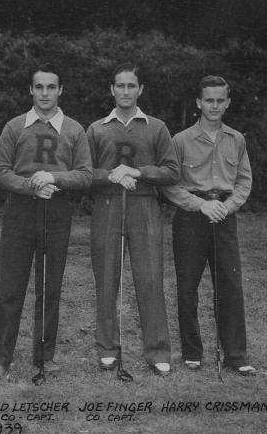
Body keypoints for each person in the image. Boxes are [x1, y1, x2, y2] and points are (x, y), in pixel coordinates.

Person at [0, 63, 92, 379]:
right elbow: (0, 170)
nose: (45, 93)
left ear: (60, 90)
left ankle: (44, 356)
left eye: (51, 87)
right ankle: (0, 357)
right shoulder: (14, 126)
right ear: (31, 90)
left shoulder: (74, 129)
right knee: (11, 286)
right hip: (20, 210)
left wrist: (56, 179)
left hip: (57, 213)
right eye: (39, 87)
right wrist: (30, 185)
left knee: (49, 287)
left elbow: (86, 174)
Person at [87, 62, 180, 376]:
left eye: (131, 86)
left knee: (150, 278)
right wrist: (113, 175)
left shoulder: (156, 127)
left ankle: (158, 351)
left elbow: (171, 171)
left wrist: (138, 172)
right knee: (107, 278)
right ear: (111, 90)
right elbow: (84, 173)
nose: (125, 91)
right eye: (120, 86)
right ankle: (107, 348)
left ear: (140, 90)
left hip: (144, 207)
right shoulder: (97, 128)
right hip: (108, 205)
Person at [162, 76, 255, 376]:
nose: (214, 106)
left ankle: (236, 356)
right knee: (187, 287)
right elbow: (170, 185)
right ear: (199, 103)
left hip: (224, 218)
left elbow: (243, 180)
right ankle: (192, 352)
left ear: (227, 102)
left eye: (220, 100)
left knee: (231, 285)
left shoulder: (236, 139)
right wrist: (200, 204)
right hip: (191, 217)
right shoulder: (180, 140)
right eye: (209, 100)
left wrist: (226, 207)